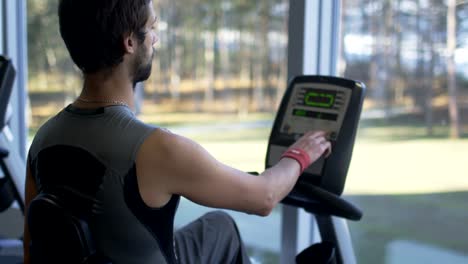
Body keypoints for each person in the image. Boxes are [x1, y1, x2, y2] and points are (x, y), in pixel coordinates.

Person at [23, 0, 332, 263]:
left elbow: (31, 248)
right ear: (129, 42)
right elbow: (264, 197)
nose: (155, 39)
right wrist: (300, 154)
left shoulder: (43, 139)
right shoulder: (156, 149)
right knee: (223, 228)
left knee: (218, 227)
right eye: (151, 28)